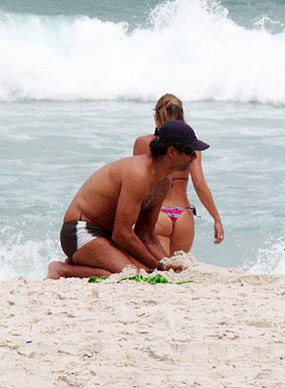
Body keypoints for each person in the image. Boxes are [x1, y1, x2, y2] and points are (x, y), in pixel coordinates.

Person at [46, 120, 209, 279]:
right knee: (129, 276)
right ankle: (63, 269)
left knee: (147, 271)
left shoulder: (165, 181)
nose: (194, 157)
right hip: (80, 230)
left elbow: (145, 233)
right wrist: (158, 266)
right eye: (190, 151)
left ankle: (84, 262)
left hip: (106, 236)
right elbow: (122, 233)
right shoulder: (138, 174)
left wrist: (166, 264)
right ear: (172, 152)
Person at [133, 94, 225, 255]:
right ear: (182, 115)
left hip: (157, 213)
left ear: (156, 116)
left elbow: (135, 184)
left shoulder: (144, 143)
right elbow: (200, 184)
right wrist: (216, 218)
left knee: (159, 269)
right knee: (177, 270)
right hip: (183, 215)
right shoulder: (191, 146)